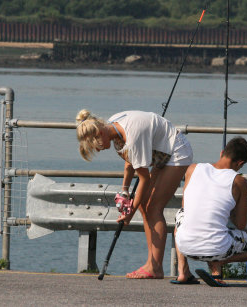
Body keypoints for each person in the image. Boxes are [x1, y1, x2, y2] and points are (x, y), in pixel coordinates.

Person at [76, 109, 193, 279]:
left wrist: (130, 212)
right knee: (145, 206)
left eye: (97, 146)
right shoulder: (113, 124)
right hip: (160, 152)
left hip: (176, 152)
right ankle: (151, 263)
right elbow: (130, 161)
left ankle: (155, 267)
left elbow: (143, 178)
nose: (99, 150)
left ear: (100, 133)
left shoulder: (132, 136)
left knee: (153, 207)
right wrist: (125, 190)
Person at [172, 136, 247, 285]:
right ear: (240, 163)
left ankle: (183, 272)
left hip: (185, 246)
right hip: (218, 250)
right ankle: (219, 263)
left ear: (222, 153)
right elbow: (240, 224)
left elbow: (185, 205)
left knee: (180, 215)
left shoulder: (193, 169)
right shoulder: (239, 181)